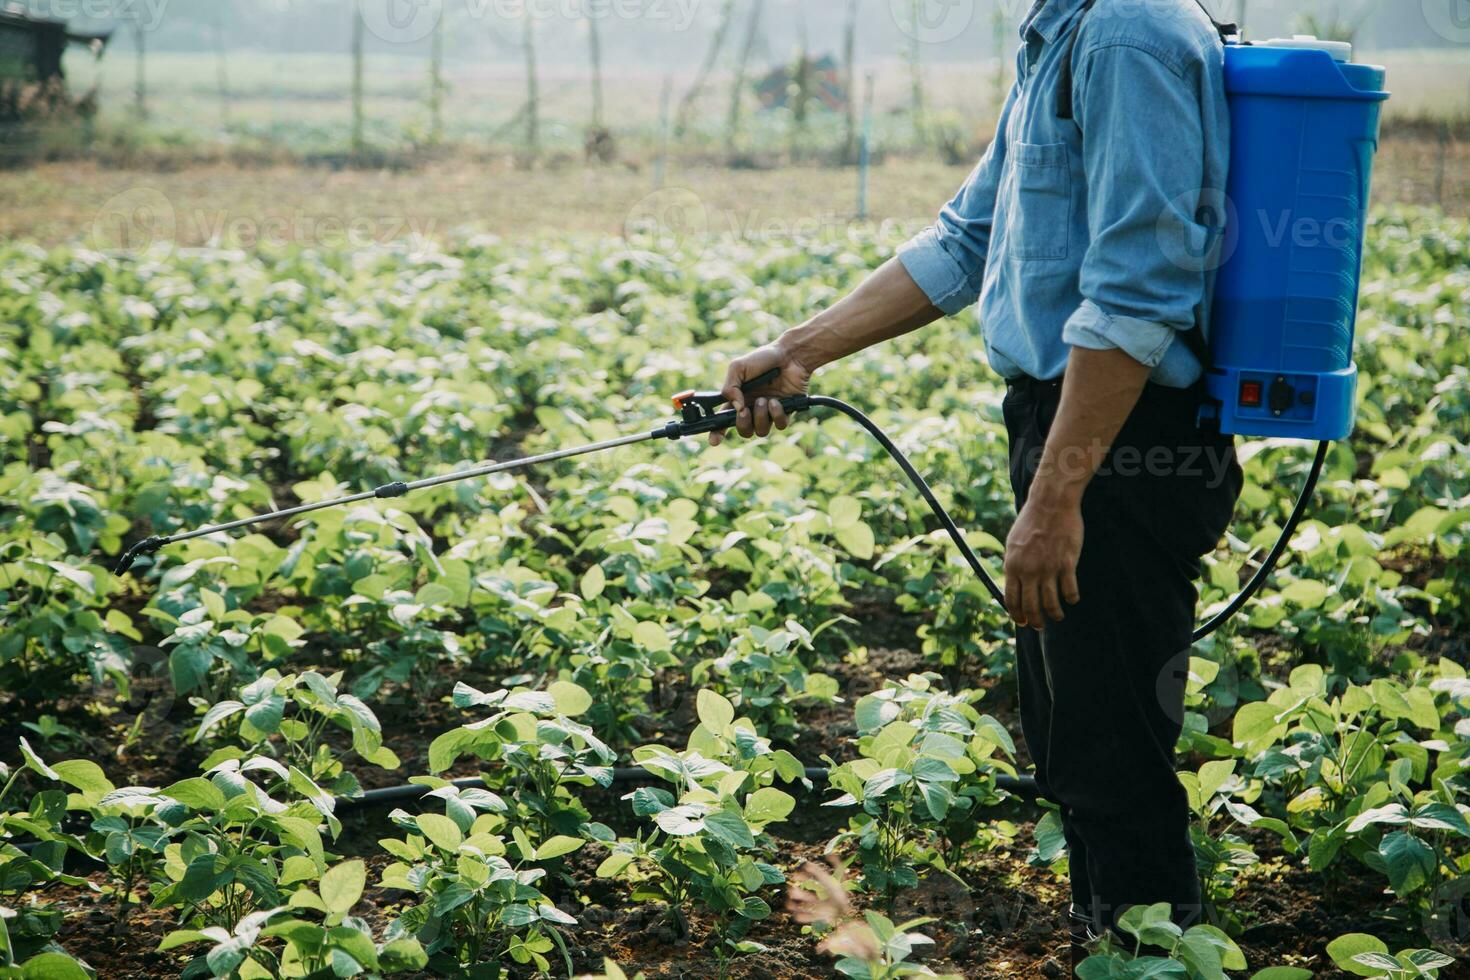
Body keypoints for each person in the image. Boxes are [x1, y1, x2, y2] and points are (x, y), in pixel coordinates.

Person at [709, 0, 1244, 970]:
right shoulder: (1065, 34)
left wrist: (1055, 497)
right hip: (1072, 425)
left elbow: (1139, 288)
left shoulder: (1128, 34)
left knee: (1114, 749)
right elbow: (968, 237)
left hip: (1121, 434)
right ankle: (1113, 948)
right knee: (1076, 735)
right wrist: (797, 351)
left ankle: (1143, 952)